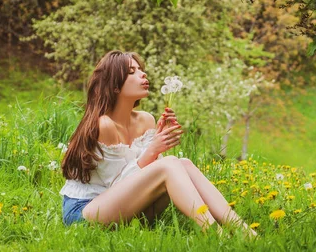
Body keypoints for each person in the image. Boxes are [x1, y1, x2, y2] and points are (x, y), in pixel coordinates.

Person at [60, 51, 255, 236]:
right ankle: (215, 234)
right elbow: (117, 186)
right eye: (132, 72)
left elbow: (150, 176)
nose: (143, 74)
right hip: (85, 211)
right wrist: (152, 149)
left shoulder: (145, 120)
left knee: (183, 163)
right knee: (170, 163)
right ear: (115, 86)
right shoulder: (104, 125)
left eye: (140, 69)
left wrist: (157, 144)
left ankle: (243, 231)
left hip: (122, 207)